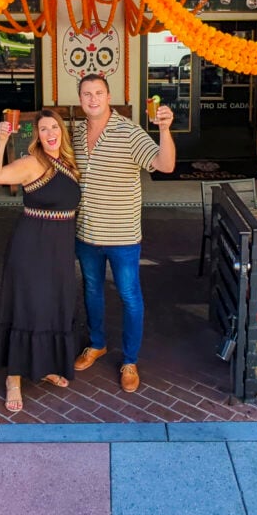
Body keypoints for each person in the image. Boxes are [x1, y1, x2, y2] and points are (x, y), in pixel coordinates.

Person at [72, 73, 176, 393]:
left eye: (98, 93)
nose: (93, 99)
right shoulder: (76, 133)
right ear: (80, 99)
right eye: (87, 94)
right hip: (86, 233)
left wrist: (164, 129)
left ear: (108, 96)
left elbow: (165, 164)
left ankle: (129, 359)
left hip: (122, 236)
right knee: (92, 290)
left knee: (130, 296)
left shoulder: (130, 132)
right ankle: (97, 343)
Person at [0, 109, 81, 413]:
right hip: (32, 247)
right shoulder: (33, 163)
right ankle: (13, 378)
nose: (50, 133)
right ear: (36, 135)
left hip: (60, 248)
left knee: (54, 304)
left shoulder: (67, 163)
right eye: (43, 129)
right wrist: (1, 141)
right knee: (28, 305)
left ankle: (47, 366)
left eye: (55, 127)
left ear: (62, 131)